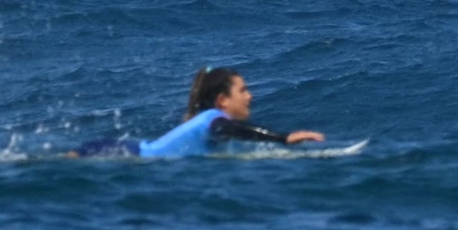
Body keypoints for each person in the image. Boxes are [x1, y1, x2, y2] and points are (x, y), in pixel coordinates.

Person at [67, 67, 325, 158]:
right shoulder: (215, 119)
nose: (250, 96)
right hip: (120, 153)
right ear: (222, 100)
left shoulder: (208, 121)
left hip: (122, 150)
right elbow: (232, 130)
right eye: (243, 90)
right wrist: (283, 138)